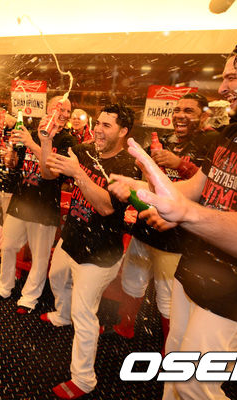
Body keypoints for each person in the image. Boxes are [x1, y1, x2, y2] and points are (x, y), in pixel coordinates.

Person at [110, 37, 237, 399]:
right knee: (174, 366)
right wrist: (142, 186)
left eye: (232, 78)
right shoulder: (232, 132)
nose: (222, 88)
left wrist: (189, 215)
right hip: (192, 272)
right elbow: (194, 190)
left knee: (194, 384)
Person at [43, 103, 140, 399]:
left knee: (84, 314)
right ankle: (62, 314)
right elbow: (48, 174)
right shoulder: (84, 151)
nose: (98, 129)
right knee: (56, 278)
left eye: (106, 125)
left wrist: (78, 174)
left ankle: (84, 379)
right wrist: (46, 140)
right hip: (71, 239)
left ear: (123, 132)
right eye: (97, 123)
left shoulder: (127, 166)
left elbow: (106, 207)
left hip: (100, 253)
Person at [112, 92, 219, 345]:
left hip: (177, 238)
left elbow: (211, 189)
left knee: (168, 299)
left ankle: (169, 348)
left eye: (189, 111)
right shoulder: (163, 141)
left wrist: (180, 164)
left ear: (204, 116)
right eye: (177, 110)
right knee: (132, 282)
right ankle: (125, 326)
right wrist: (142, 174)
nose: (180, 115)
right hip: (145, 228)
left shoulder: (212, 142)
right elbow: (151, 186)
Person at [0, 96, 76, 314]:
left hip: (45, 206)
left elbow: (53, 169)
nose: (64, 114)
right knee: (7, 246)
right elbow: (15, 163)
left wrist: (31, 143)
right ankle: (5, 287)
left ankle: (29, 298)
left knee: (40, 257)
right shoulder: (31, 130)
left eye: (68, 111)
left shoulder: (67, 140)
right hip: (21, 200)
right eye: (60, 108)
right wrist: (10, 155)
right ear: (48, 108)